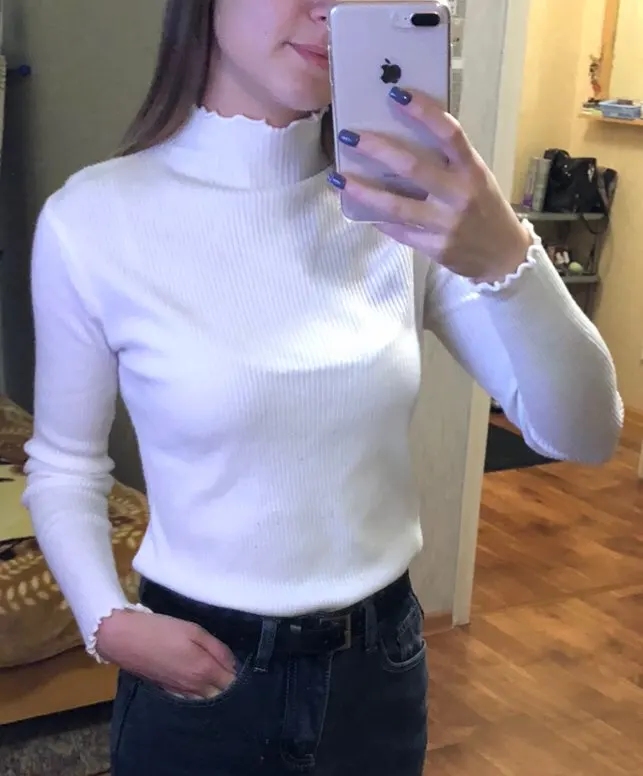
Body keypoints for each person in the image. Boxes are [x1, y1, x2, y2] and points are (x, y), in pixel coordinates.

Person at [24, 1, 623, 774]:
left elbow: (584, 433)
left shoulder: (408, 210)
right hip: (197, 670)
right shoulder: (92, 221)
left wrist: (508, 259)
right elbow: (65, 465)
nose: (329, 9)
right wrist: (105, 619)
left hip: (377, 671)